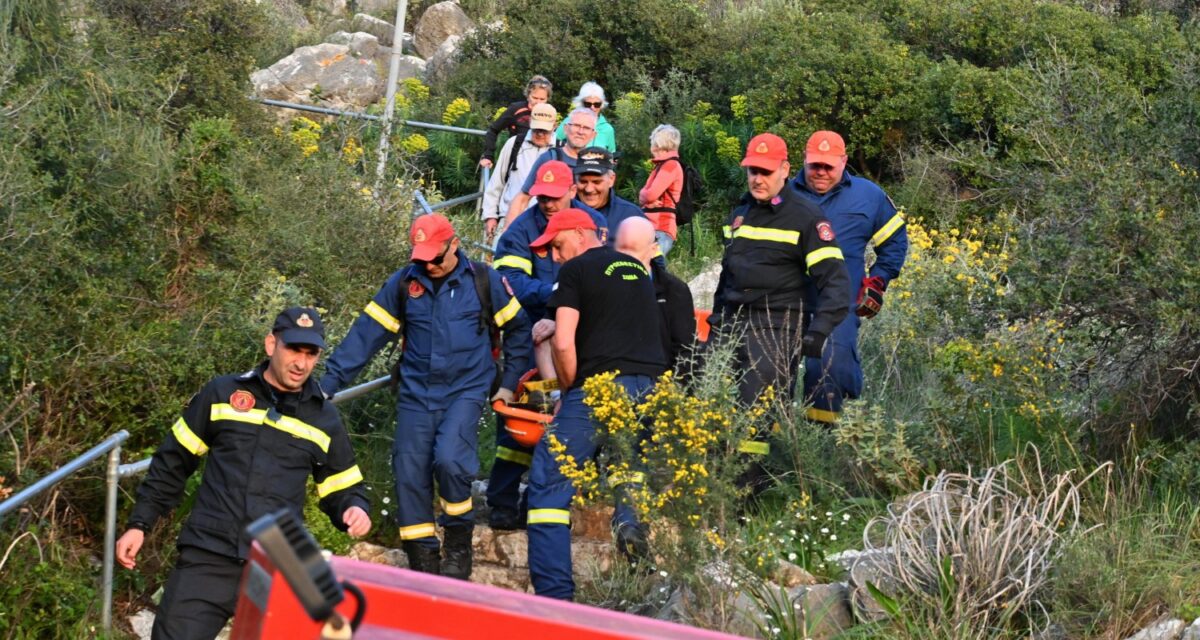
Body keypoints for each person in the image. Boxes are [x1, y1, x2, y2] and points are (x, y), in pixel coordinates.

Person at [116, 307, 371, 640]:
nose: (301, 363)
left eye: (311, 354)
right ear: (271, 345)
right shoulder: (222, 394)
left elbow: (343, 485)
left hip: (276, 567)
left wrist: (354, 508)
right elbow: (173, 462)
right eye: (293, 349)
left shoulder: (324, 419)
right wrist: (140, 523)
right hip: (209, 555)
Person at [320, 214, 532, 580]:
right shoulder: (404, 283)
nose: (429, 265)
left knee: (451, 461)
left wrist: (509, 382)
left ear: (455, 245)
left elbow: (518, 328)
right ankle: (423, 562)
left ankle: (458, 542)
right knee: (408, 473)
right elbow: (365, 335)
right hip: (416, 394)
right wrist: (327, 385)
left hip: (466, 390)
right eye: (422, 258)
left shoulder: (483, 280)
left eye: (436, 257)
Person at [525, 208, 667, 601]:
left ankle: (554, 597)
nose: (554, 257)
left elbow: (563, 341)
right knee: (627, 469)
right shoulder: (639, 271)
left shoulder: (575, 271)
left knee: (548, 486)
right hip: (648, 388)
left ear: (579, 233)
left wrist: (566, 392)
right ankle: (633, 540)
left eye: (556, 245)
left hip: (597, 388)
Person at [710, 133, 851, 474]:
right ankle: (717, 484)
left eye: (766, 172)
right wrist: (716, 321)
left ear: (785, 170)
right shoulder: (742, 212)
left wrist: (817, 332)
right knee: (717, 403)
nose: (758, 178)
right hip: (732, 322)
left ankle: (749, 497)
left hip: (776, 326)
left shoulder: (805, 216)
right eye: (752, 171)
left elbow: (836, 282)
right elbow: (727, 274)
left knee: (756, 414)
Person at [486, 160, 607, 530]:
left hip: (579, 336)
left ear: (572, 191)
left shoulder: (591, 224)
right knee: (529, 416)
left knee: (574, 419)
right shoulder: (521, 230)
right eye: (541, 196)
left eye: (556, 197)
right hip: (530, 335)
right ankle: (503, 501)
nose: (548, 204)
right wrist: (558, 294)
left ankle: (549, 497)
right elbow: (509, 283)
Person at [792, 131, 908, 426]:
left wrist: (878, 281)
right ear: (804, 160)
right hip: (786, 300)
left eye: (828, 166)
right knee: (771, 372)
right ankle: (767, 455)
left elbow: (894, 241)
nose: (820, 172)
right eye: (814, 164)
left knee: (830, 367)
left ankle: (824, 440)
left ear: (843, 162)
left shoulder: (868, 195)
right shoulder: (782, 194)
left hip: (838, 303)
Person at [614, 217, 695, 372]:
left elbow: (685, 349)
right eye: (620, 249)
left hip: (661, 379)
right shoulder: (601, 285)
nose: (625, 257)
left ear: (653, 250)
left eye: (632, 250)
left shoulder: (674, 290)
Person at [503, 108, 598, 227]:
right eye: (576, 125)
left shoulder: (597, 165)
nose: (580, 131)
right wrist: (508, 236)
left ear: (593, 135)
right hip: (548, 229)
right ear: (566, 128)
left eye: (586, 128)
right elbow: (522, 198)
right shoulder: (549, 158)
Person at [481, 102, 558, 244]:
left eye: (545, 130)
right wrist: (490, 216)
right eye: (537, 129)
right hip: (510, 219)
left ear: (554, 126)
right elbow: (497, 181)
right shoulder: (514, 144)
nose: (540, 134)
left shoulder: (560, 150)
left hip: (546, 224)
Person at [573, 146, 647, 241]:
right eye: (583, 182)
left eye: (596, 182)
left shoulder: (631, 215)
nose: (589, 189)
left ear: (611, 179)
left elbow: (653, 254)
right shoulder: (562, 210)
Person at [479, 75, 553, 170]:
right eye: (535, 97)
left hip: (540, 164)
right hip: (515, 163)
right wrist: (488, 156)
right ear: (528, 95)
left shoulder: (550, 113)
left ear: (547, 99)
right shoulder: (516, 109)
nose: (538, 102)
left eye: (542, 99)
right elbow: (493, 130)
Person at [639, 124, 685, 257]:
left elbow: (650, 194)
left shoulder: (669, 165)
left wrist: (643, 195)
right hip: (655, 227)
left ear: (658, 144)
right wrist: (646, 198)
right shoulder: (663, 165)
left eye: (652, 141)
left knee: (652, 269)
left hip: (660, 227)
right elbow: (648, 197)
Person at [554, 81, 616, 153]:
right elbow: (554, 144)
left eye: (597, 104)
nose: (592, 108)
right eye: (588, 104)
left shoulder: (607, 129)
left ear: (601, 105)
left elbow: (611, 155)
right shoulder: (570, 121)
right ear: (581, 103)